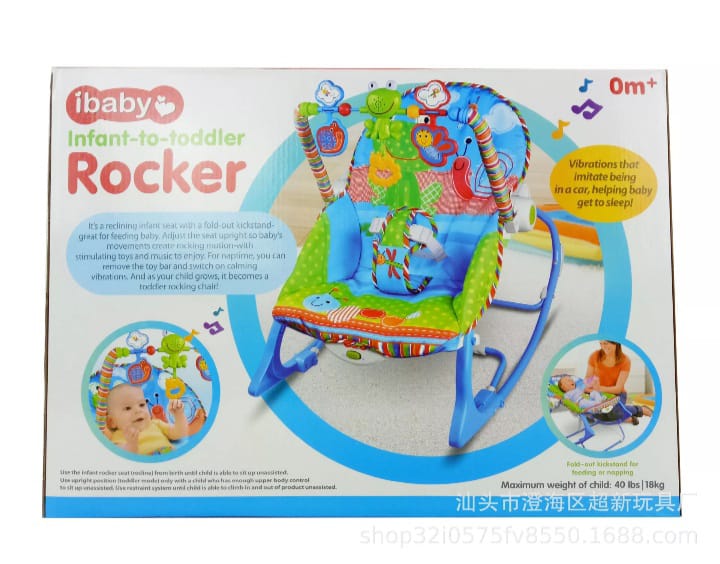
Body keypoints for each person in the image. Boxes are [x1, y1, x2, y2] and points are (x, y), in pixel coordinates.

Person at [104, 384, 188, 454]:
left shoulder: (155, 424)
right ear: (112, 422)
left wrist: (179, 415)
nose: (138, 410)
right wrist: (131, 444)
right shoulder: (119, 436)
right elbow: (123, 455)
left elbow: (179, 433)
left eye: (141, 405)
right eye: (128, 408)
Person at [584, 340, 652, 424]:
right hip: (599, 395)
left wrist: (599, 388)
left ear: (615, 342)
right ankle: (624, 416)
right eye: (601, 343)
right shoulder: (595, 356)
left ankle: (639, 409)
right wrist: (590, 384)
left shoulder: (625, 360)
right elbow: (587, 378)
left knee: (610, 411)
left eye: (605, 343)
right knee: (592, 412)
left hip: (617, 395)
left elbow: (618, 389)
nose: (603, 347)